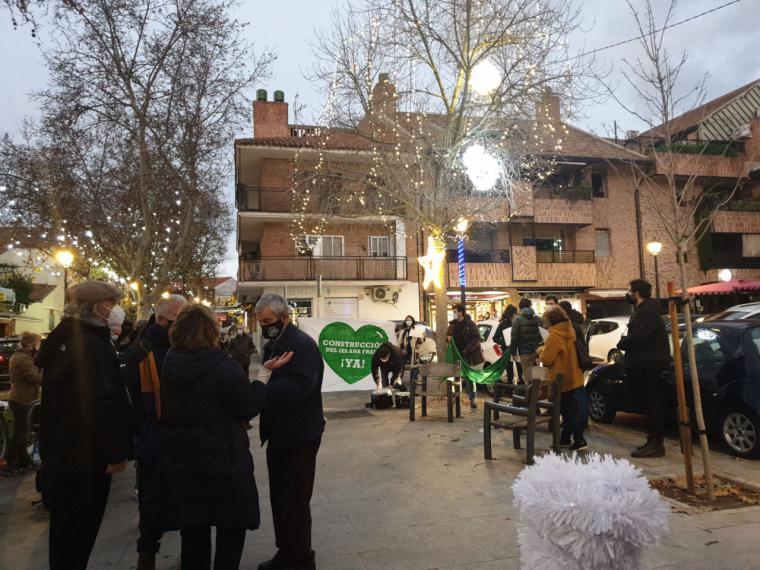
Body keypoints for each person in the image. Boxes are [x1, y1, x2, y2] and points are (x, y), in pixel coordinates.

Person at [145, 304, 267, 570]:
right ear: (211, 331)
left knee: (193, 530)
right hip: (223, 457)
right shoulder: (223, 366)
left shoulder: (171, 362)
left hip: (184, 459)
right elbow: (246, 406)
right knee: (230, 528)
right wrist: (262, 380)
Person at [35, 281, 133, 570]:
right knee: (77, 537)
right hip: (85, 461)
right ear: (94, 307)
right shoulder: (90, 345)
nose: (113, 309)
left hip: (64, 457)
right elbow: (98, 403)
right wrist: (115, 453)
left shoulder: (65, 339)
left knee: (66, 537)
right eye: (110, 302)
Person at [255, 293, 324, 570]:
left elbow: (302, 386)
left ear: (284, 317)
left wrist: (263, 390)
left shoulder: (301, 345)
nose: (264, 326)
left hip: (299, 433)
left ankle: (299, 559)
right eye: (261, 321)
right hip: (282, 432)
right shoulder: (275, 344)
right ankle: (288, 553)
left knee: (294, 499)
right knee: (282, 498)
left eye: (268, 321)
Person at [122, 294, 188, 570]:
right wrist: (145, 431)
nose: (183, 326)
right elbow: (128, 401)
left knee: (188, 500)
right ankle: (146, 554)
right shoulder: (139, 352)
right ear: (162, 320)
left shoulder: (187, 347)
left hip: (184, 439)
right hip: (155, 440)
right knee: (152, 502)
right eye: (178, 321)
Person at [617, 279, 670, 458]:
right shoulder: (646, 310)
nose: (628, 294)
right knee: (649, 403)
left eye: (629, 291)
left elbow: (640, 335)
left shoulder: (647, 311)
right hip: (645, 363)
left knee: (651, 403)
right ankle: (653, 440)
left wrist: (623, 342)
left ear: (637, 293)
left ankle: (656, 443)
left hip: (648, 364)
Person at [538, 307, 588, 451]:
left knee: (566, 412)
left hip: (560, 379)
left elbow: (547, 359)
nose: (544, 322)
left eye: (545, 319)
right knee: (568, 409)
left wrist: (540, 351)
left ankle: (579, 440)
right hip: (573, 375)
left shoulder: (554, 336)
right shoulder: (569, 330)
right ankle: (565, 438)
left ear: (551, 320)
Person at [2, 332, 42, 475]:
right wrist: (46, 374)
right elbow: (33, 377)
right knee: (20, 433)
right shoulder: (23, 359)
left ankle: (23, 460)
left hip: (21, 398)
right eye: (37, 344)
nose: (38, 347)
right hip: (21, 399)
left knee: (22, 431)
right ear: (30, 344)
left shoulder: (21, 357)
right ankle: (11, 463)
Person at [448, 303, 484, 410]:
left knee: (469, 376)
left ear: (461, 312)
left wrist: (466, 349)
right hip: (456, 353)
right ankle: (456, 397)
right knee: (455, 375)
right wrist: (448, 338)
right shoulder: (453, 325)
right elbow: (448, 335)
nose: (453, 314)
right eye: (453, 312)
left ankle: (472, 398)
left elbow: (477, 338)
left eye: (455, 312)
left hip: (466, 354)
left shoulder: (470, 324)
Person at [509, 298, 543, 382]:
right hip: (537, 351)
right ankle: (537, 393)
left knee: (527, 376)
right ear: (530, 306)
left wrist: (513, 352)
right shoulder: (538, 319)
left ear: (520, 307)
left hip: (524, 352)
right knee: (537, 375)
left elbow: (514, 337)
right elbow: (542, 334)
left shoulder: (517, 320)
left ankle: (530, 393)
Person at [493, 305, 523, 384]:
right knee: (510, 374)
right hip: (507, 352)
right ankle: (509, 391)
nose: (517, 315)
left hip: (518, 351)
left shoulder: (519, 323)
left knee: (521, 373)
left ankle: (521, 392)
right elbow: (495, 338)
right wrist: (505, 342)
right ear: (512, 314)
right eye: (516, 313)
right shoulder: (502, 324)